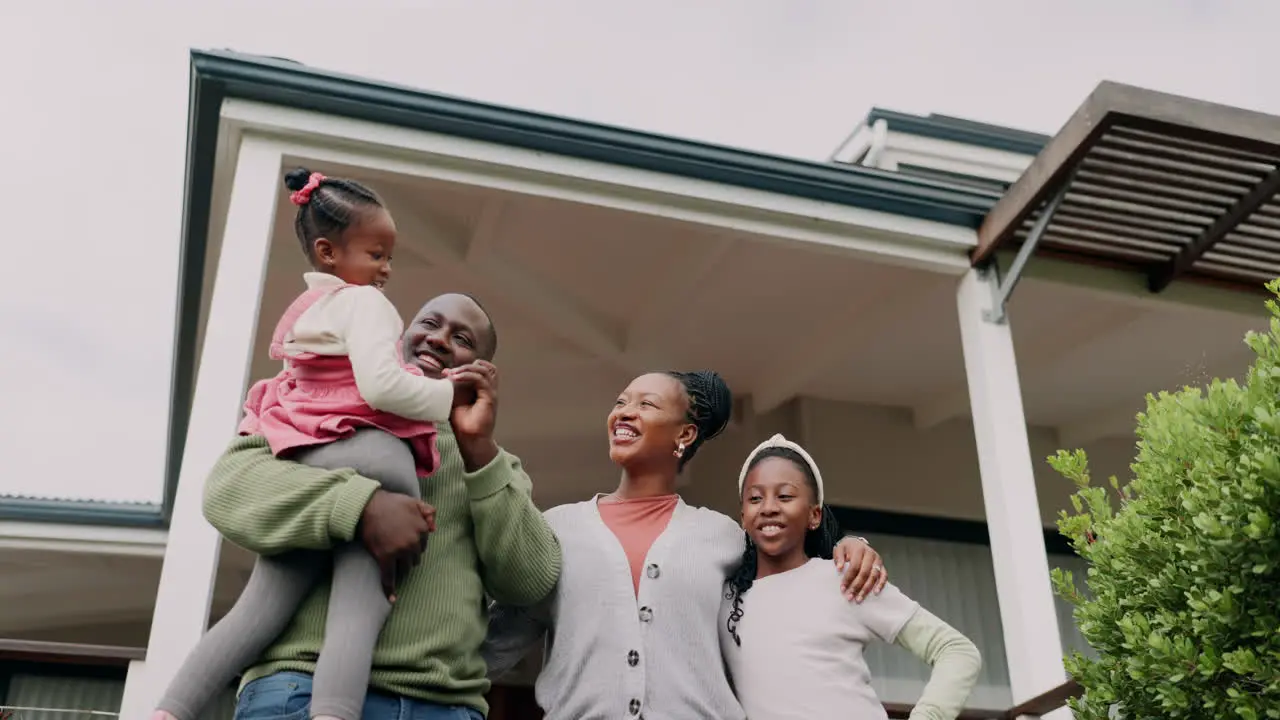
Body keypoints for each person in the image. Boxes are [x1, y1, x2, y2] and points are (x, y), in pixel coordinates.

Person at [155, 169, 466, 720]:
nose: (386, 270)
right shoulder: (366, 305)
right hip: (375, 457)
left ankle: (170, 710)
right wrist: (447, 396)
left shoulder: (309, 308)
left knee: (258, 608)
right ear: (328, 251)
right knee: (359, 608)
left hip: (301, 450)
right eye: (376, 255)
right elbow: (381, 386)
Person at [181, 291, 560, 720]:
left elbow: (530, 581)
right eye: (429, 323)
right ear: (397, 337)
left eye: (462, 339)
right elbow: (228, 489)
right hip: (298, 690)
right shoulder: (314, 410)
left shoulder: (493, 465)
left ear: (482, 372)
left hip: (439, 707)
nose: (438, 339)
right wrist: (360, 505)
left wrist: (479, 451)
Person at [482, 371, 892, 719]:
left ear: (685, 433)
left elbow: (797, 572)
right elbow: (491, 646)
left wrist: (850, 544)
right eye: (621, 402)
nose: (625, 412)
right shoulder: (557, 529)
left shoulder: (723, 537)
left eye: (647, 404)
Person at [721, 434, 982, 720]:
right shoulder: (725, 602)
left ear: (814, 515)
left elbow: (956, 651)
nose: (769, 507)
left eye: (785, 496)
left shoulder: (848, 578)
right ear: (743, 516)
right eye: (755, 498)